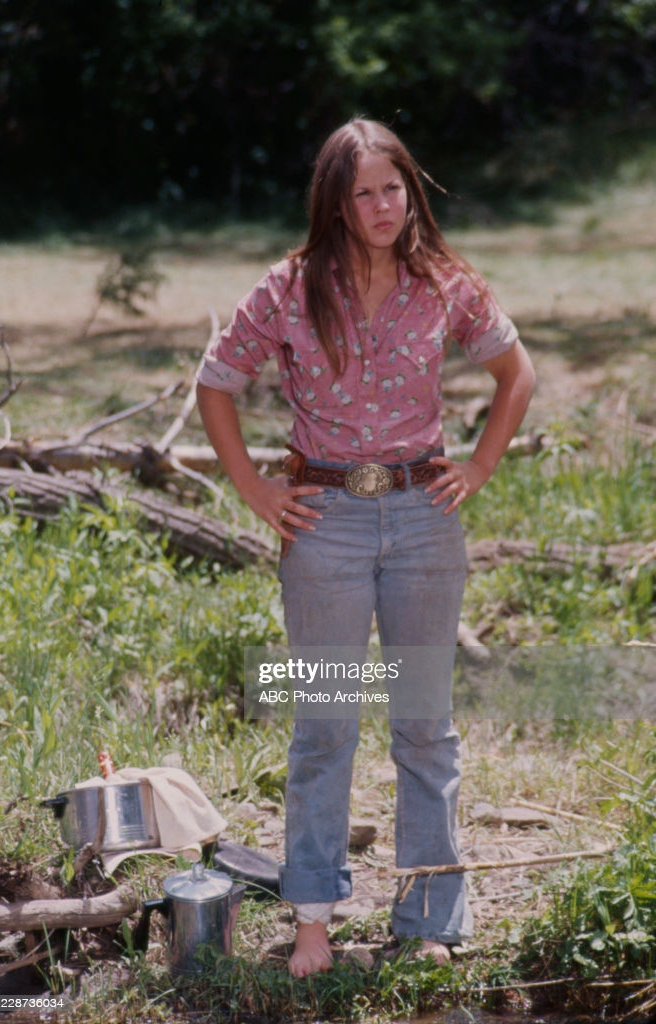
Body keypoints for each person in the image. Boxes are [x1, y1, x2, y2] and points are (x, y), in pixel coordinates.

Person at [196, 117, 536, 977]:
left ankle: (428, 921)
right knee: (325, 727)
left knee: (424, 727)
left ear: (409, 193)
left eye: (394, 188)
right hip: (326, 526)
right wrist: (255, 488)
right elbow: (216, 382)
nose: (384, 206)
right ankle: (313, 919)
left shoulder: (443, 283)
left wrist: (479, 465)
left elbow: (516, 372)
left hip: (423, 519)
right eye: (364, 193)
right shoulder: (289, 287)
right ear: (335, 204)